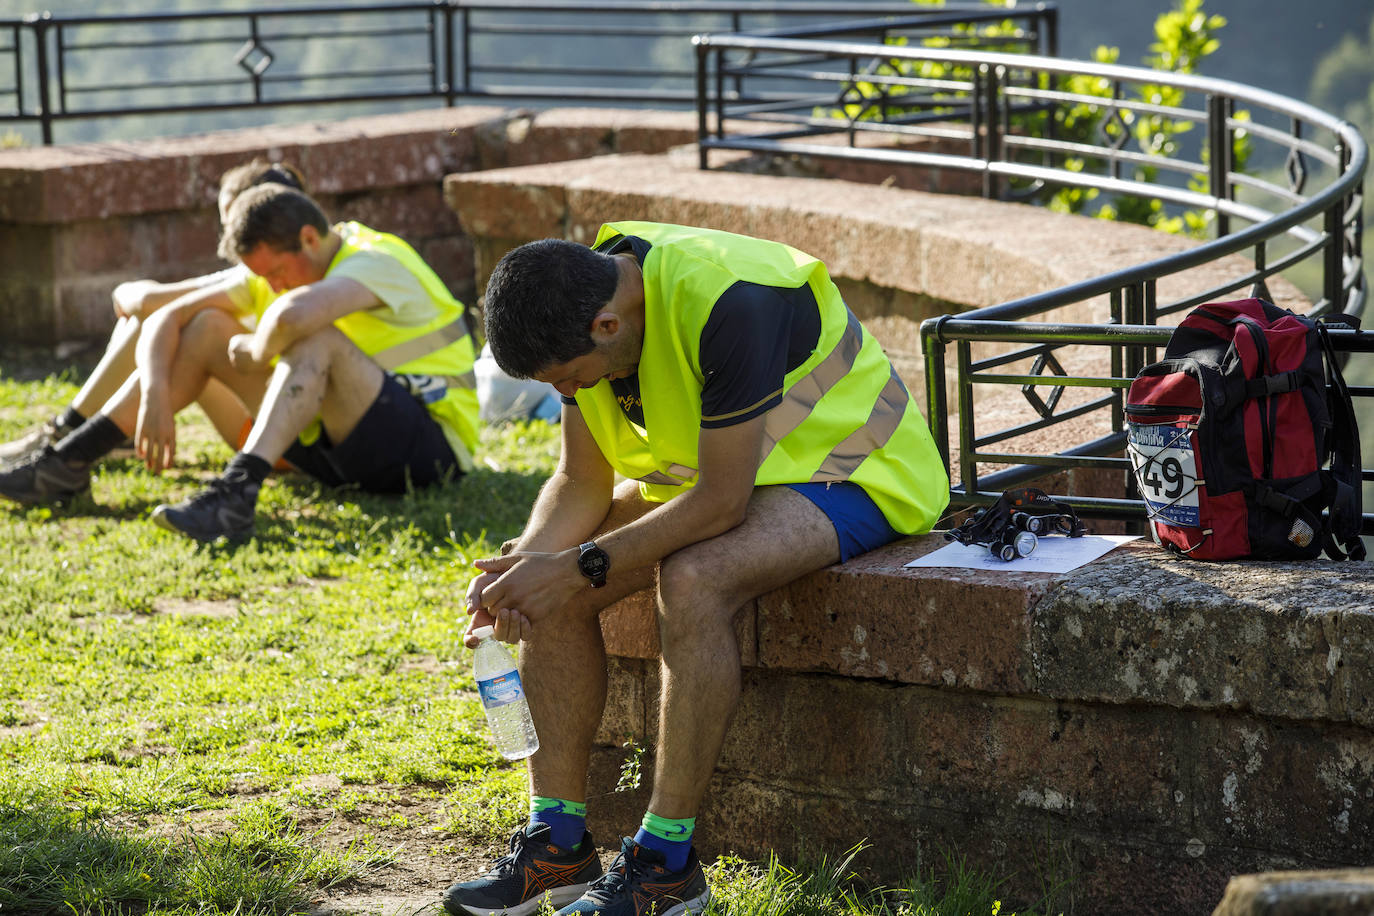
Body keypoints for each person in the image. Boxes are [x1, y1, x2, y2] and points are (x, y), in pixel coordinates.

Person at [443, 221, 949, 916]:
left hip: (858, 472)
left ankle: (667, 863)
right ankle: (557, 845)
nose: (570, 390)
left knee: (693, 577)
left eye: (568, 379)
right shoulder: (585, 306)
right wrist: (523, 568)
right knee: (550, 588)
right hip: (743, 478)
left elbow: (718, 504)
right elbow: (580, 480)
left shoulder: (737, 301)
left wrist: (578, 564)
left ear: (607, 323)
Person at [0, 185, 480, 543]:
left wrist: (254, 351)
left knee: (316, 339)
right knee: (209, 327)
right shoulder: (277, 272)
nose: (270, 286)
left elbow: (296, 316)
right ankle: (69, 463)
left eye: (274, 273)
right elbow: (168, 315)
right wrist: (155, 394)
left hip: (429, 453)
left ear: (309, 239)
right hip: (341, 454)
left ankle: (235, 496)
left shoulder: (376, 259)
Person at [0, 158, 308, 468]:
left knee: (166, 321)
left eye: (233, 224)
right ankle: (85, 431)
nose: (229, 240)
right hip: (265, 423)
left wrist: (127, 295)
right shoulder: (267, 271)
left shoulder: (264, 276)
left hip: (275, 438)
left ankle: (68, 431)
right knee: (158, 320)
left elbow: (145, 299)